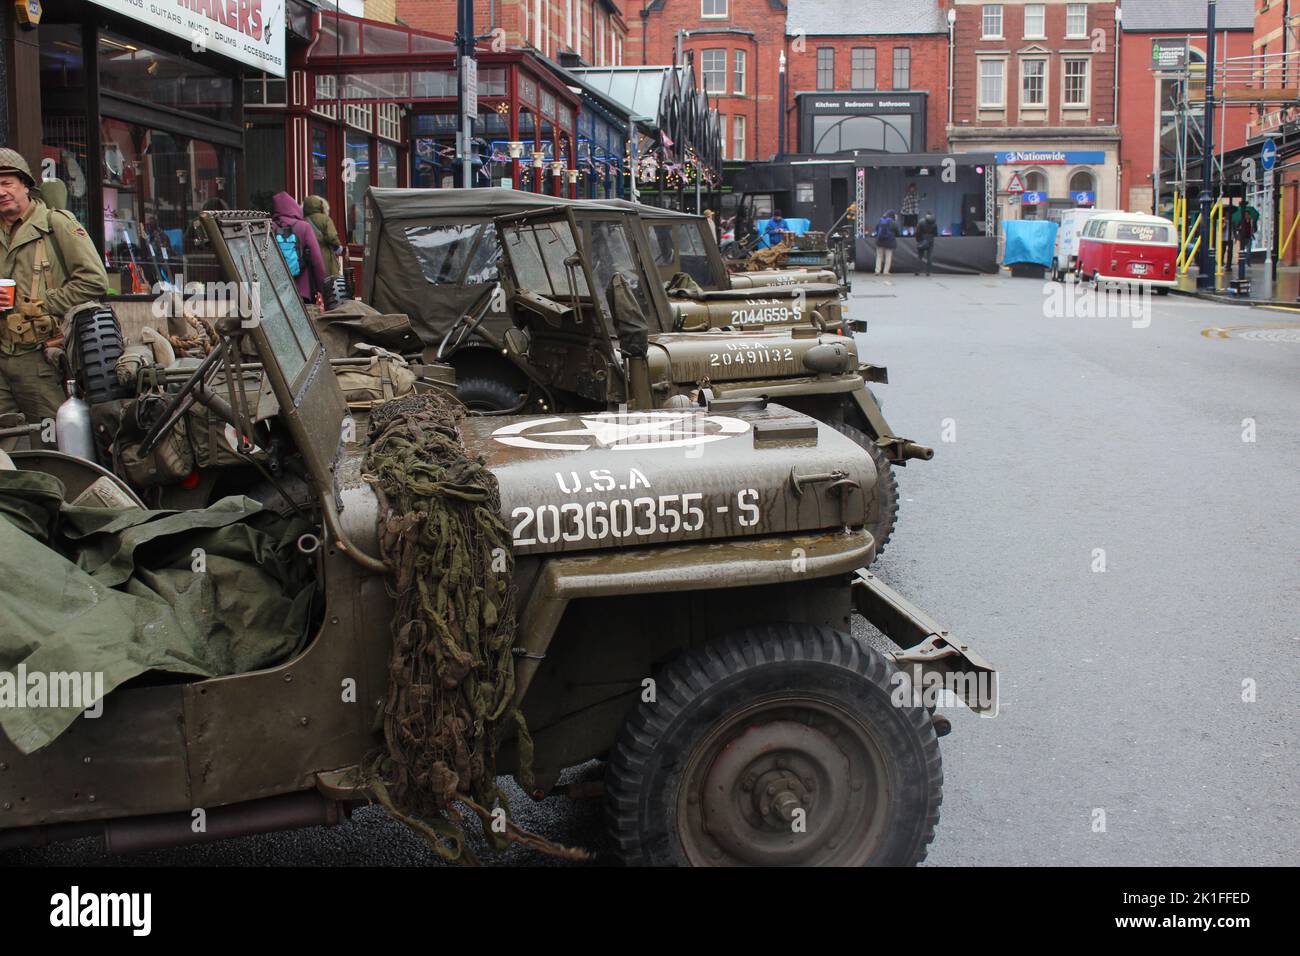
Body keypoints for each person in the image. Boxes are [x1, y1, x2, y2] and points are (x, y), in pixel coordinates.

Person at [0, 147, 109, 438]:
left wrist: (41, 303)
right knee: (5, 446)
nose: (1, 192)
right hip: (2, 354)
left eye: (6, 183)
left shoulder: (56, 223)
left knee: (53, 442)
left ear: (25, 185)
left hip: (42, 358)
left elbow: (95, 281)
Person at [271, 191, 327, 306]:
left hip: (277, 291)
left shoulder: (270, 227)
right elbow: (317, 260)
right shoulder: (304, 227)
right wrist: (322, 289)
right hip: (302, 292)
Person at [303, 194, 343, 278]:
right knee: (327, 283)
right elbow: (332, 237)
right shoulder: (325, 219)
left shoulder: (302, 220)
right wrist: (338, 246)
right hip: (325, 256)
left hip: (308, 257)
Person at [873, 210, 898, 275]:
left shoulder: (880, 221)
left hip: (880, 241)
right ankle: (886, 272)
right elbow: (897, 232)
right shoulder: (893, 222)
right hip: (889, 242)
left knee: (879, 256)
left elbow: (876, 229)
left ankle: (877, 271)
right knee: (888, 256)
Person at [914, 211, 939, 277]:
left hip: (922, 240)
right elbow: (936, 234)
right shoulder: (934, 223)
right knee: (929, 257)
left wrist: (918, 240)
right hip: (930, 241)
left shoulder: (921, 222)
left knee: (920, 256)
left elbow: (917, 232)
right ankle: (928, 272)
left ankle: (917, 271)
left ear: (926, 215)